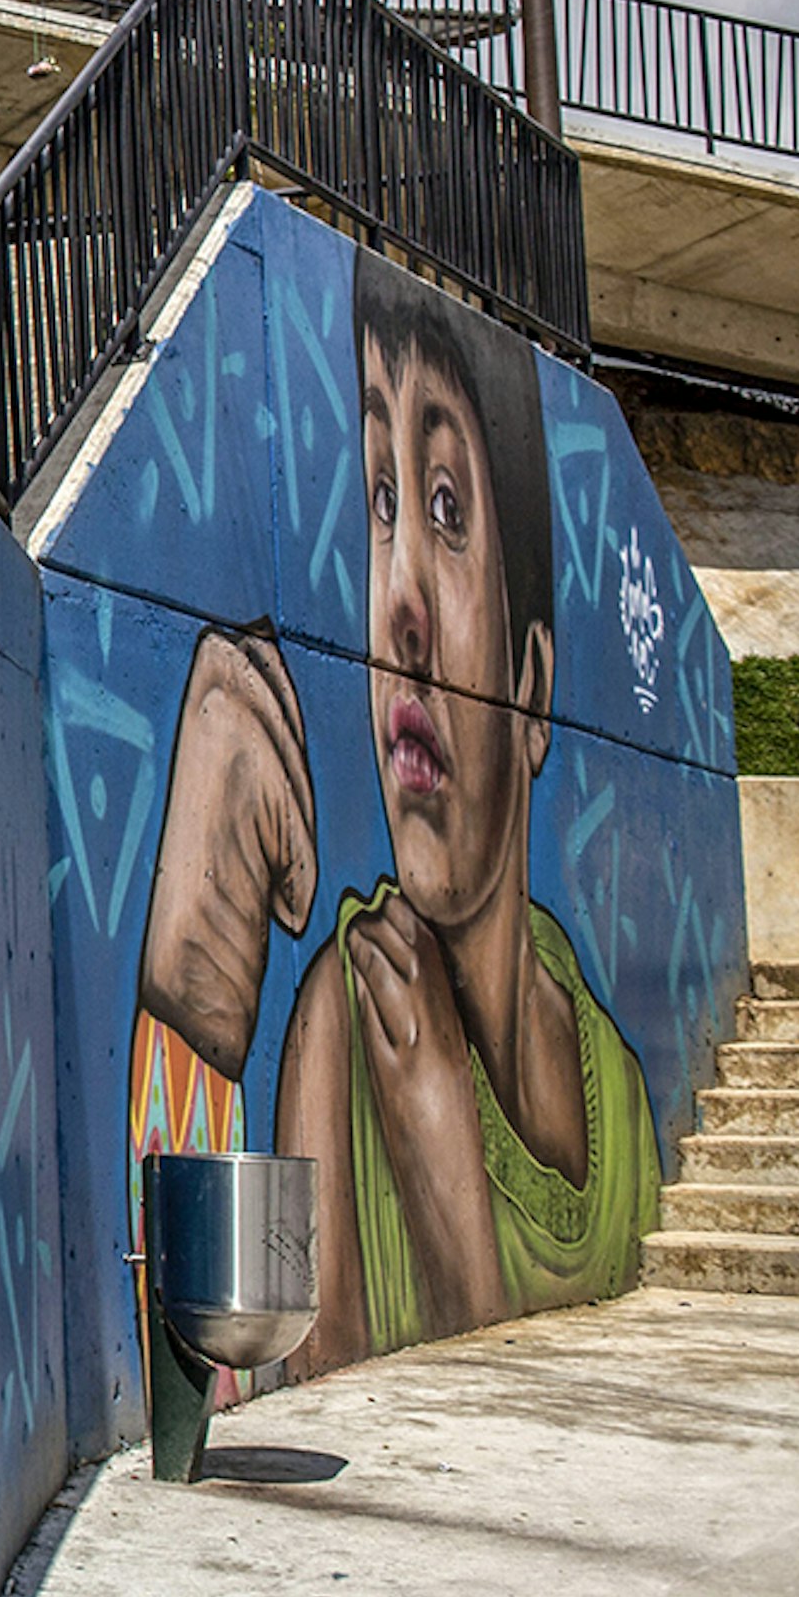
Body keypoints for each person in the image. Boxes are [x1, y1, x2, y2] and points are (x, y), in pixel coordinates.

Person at [132, 250, 653, 1375]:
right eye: (382, 499)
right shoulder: (346, 1019)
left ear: (531, 687)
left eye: (448, 507)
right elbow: (257, 1403)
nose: (398, 601)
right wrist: (185, 1016)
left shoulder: (618, 1087)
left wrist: (449, 1184)